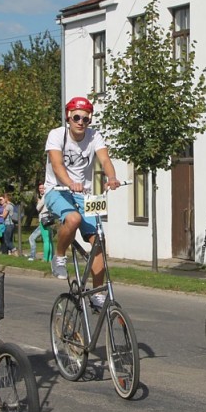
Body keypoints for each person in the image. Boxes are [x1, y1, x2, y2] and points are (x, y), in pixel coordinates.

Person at [44, 96, 120, 310]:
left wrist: (111, 177)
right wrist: (70, 182)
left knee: (99, 240)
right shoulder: (57, 135)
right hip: (57, 190)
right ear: (68, 117)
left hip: (82, 195)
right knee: (73, 218)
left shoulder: (94, 136)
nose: (80, 122)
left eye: (85, 119)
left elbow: (105, 159)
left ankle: (97, 294)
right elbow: (57, 164)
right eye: (76, 117)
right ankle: (59, 257)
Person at [28, 183, 53, 262]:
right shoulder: (51, 196)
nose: (41, 190)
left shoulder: (44, 196)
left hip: (43, 219)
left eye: (43, 188)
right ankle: (50, 258)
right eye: (40, 188)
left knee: (46, 240)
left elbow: (38, 208)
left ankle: (45, 258)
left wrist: (39, 202)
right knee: (49, 240)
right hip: (50, 218)